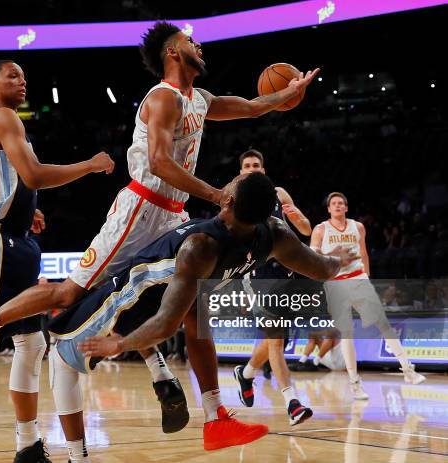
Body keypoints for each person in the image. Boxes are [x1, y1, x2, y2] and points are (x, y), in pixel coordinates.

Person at [0, 22, 320, 438]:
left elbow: (252, 106)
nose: (199, 45)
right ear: (173, 53)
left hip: (173, 213)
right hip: (139, 210)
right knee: (69, 293)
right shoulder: (163, 98)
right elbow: (160, 162)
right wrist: (217, 196)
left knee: (194, 309)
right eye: (189, 41)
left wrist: (287, 95)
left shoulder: (201, 98)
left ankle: (216, 418)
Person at [53, 172, 356, 460]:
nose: (228, 182)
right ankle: (213, 416)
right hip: (177, 292)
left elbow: (164, 323)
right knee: (199, 316)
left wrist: (119, 346)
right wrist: (338, 260)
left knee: (61, 360)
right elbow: (323, 269)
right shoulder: (274, 235)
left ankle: (76, 458)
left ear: (228, 201)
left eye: (233, 183)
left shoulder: (201, 246)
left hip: (129, 298)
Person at [0, 60, 114, 463]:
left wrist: (29, 210)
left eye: (24, 75)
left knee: (32, 343)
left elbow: (15, 182)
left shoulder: (11, 122)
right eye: (13, 75)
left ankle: (27, 445)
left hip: (18, 238)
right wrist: (89, 165)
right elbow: (33, 175)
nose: (22, 80)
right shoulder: (3, 116)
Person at [310, 192, 426, 400]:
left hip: (358, 278)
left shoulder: (358, 227)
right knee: (346, 333)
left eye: (341, 203)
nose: (337, 206)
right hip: (335, 283)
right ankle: (355, 383)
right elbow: (312, 256)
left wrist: (367, 277)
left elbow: (363, 253)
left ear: (346, 207)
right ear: (328, 209)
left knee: (383, 324)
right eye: (333, 203)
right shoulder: (320, 229)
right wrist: (333, 254)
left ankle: (408, 370)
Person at [232, 149, 314, 425]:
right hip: (257, 275)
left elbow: (305, 229)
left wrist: (296, 217)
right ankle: (292, 403)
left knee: (275, 338)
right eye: (247, 165)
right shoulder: (232, 197)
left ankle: (246, 373)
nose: (253, 168)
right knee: (277, 340)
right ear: (241, 171)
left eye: (257, 164)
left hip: (285, 272)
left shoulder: (279, 193)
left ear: (263, 170)